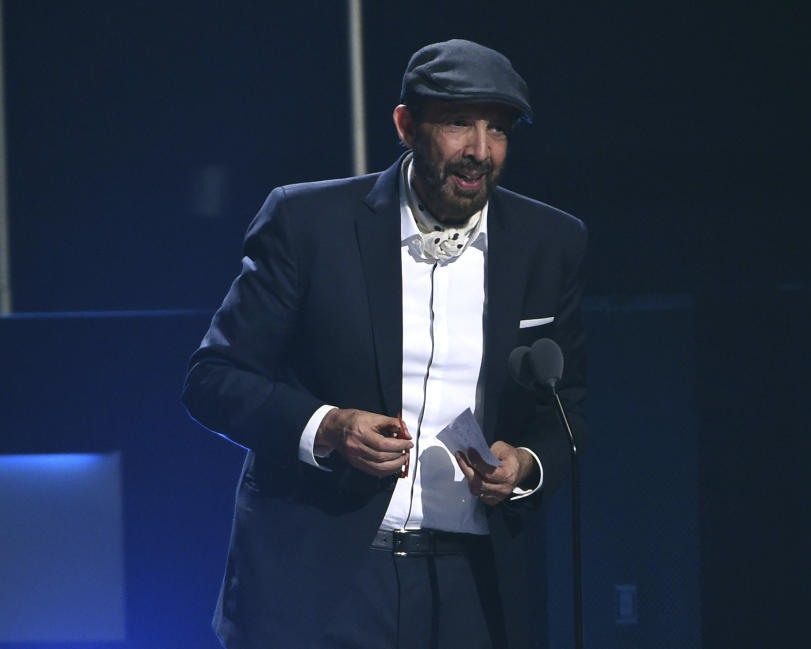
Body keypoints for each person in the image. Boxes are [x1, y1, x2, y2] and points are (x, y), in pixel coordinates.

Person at [182, 39, 588, 649]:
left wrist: (526, 466)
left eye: (497, 130)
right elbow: (213, 379)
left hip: (471, 585)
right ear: (406, 125)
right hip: (322, 578)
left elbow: (568, 407)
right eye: (458, 123)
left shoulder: (549, 242)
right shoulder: (307, 222)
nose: (479, 150)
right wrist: (327, 427)